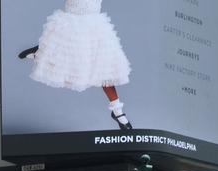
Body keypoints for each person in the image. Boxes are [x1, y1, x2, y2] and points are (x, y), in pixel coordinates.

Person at [17, 0, 134, 129]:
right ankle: (42, 52)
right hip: (74, 14)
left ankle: (117, 111)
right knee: (70, 51)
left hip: (94, 21)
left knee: (105, 69)